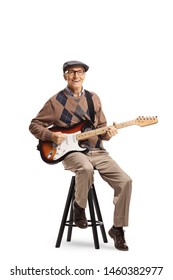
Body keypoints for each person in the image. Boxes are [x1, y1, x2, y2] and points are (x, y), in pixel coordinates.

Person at [29, 60, 132, 251]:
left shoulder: (94, 98)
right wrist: (51, 135)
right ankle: (79, 208)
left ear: (84, 75)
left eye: (80, 72)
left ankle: (117, 229)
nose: (76, 76)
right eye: (71, 72)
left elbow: (101, 129)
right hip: (72, 153)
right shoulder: (55, 101)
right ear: (64, 76)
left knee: (125, 181)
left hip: (97, 151)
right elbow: (34, 125)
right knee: (85, 168)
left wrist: (107, 134)